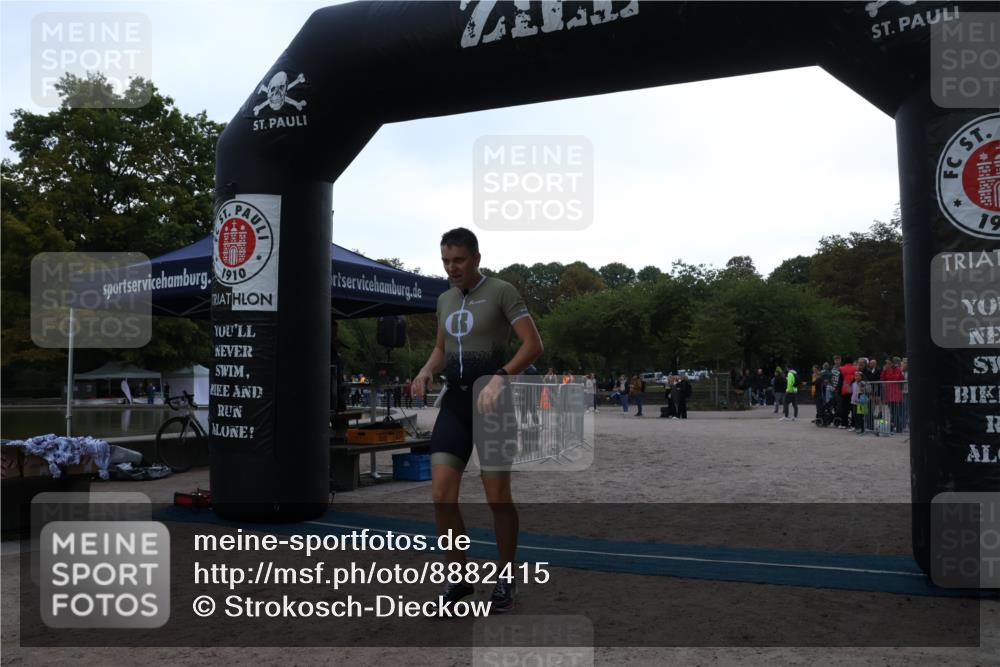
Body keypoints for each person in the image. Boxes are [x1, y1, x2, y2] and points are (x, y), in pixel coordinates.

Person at [411, 227, 542, 615]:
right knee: (440, 496)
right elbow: (440, 348)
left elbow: (533, 345)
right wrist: (424, 370)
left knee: (497, 498)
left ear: (476, 259)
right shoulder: (446, 300)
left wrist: (500, 377)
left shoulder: (502, 291)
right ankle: (459, 577)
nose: (452, 268)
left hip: (493, 405)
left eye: (459, 260)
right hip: (455, 404)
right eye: (446, 261)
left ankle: (505, 575)